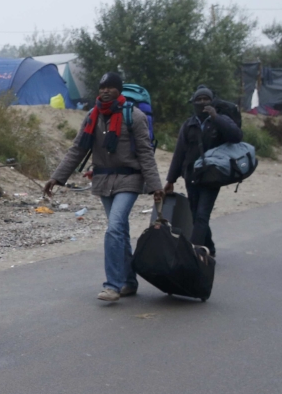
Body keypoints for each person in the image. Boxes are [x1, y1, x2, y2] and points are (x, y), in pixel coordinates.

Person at [45, 72, 164, 302]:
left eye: (110, 87)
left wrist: (155, 186)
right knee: (120, 231)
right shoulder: (93, 115)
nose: (105, 91)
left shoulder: (134, 116)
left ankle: (112, 285)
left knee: (114, 228)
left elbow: (145, 153)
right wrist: (56, 178)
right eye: (102, 87)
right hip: (103, 181)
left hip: (129, 180)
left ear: (119, 90)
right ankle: (129, 281)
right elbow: (77, 149)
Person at [163, 86, 243, 257]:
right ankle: (209, 248)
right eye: (198, 100)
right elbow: (179, 153)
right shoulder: (189, 124)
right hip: (191, 177)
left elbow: (236, 136)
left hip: (212, 177)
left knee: (202, 214)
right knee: (195, 214)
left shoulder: (221, 120)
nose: (202, 103)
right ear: (193, 102)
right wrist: (171, 180)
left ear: (212, 101)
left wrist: (216, 117)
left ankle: (194, 253)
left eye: (206, 99)